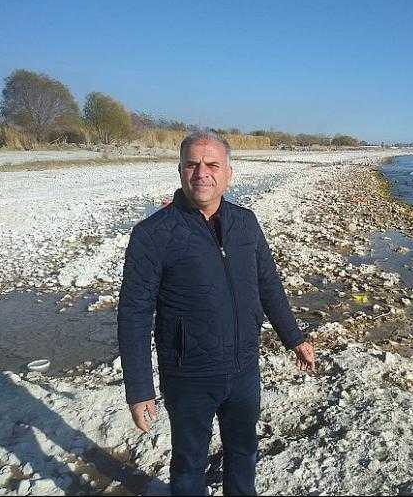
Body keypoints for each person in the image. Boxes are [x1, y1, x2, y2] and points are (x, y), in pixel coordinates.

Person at [117, 131, 315, 496]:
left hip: (244, 368)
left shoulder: (245, 222)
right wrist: (140, 389)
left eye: (212, 165)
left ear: (228, 173)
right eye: (192, 164)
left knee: (244, 452)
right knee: (189, 462)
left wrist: (294, 338)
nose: (201, 173)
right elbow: (134, 314)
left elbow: (268, 284)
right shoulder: (153, 234)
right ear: (180, 170)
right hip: (188, 375)